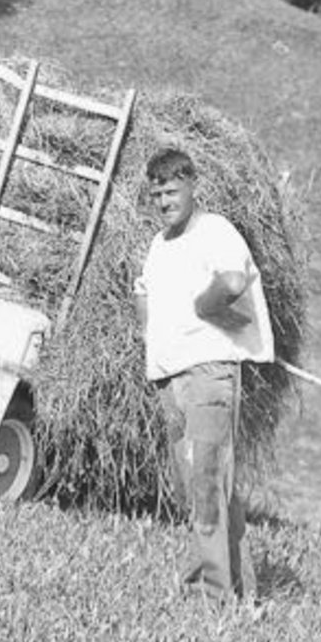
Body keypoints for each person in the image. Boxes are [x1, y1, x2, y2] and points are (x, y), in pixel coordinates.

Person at [133, 147, 273, 603]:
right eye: (157, 194)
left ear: (194, 185)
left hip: (209, 374)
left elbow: (233, 281)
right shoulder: (158, 244)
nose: (164, 202)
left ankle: (212, 597)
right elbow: (144, 294)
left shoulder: (215, 230)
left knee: (208, 482)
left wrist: (202, 306)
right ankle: (236, 590)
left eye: (172, 191)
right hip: (171, 379)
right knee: (201, 488)